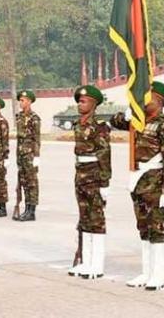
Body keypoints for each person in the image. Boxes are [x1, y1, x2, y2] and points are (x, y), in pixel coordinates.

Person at [110, 81, 164, 290]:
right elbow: (114, 121)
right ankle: (146, 272)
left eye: (147, 96)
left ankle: (157, 275)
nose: (142, 99)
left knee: (156, 228)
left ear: (158, 100)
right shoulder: (137, 119)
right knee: (143, 228)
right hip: (138, 180)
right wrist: (127, 113)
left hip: (155, 181)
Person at [68, 85, 111, 279]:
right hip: (81, 174)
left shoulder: (99, 126)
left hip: (94, 175)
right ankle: (86, 261)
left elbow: (104, 154)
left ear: (93, 104)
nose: (79, 104)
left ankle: (97, 264)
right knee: (84, 218)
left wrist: (105, 183)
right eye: (79, 100)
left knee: (97, 219)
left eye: (83, 101)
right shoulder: (79, 124)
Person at [14, 90, 41, 222]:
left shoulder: (34, 118)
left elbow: (36, 138)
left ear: (29, 101)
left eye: (23, 100)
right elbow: (19, 139)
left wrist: (37, 156)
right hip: (21, 154)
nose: (21, 102)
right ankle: (26, 208)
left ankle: (32, 210)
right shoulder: (19, 117)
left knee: (32, 182)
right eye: (20, 100)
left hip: (30, 154)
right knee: (24, 182)